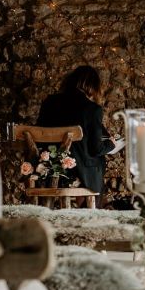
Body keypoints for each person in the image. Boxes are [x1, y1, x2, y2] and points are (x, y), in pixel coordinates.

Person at [37, 65, 117, 194]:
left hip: (49, 169)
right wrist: (111, 143)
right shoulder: (92, 109)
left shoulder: (49, 102)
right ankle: (90, 207)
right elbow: (96, 149)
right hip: (79, 172)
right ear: (92, 86)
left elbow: (39, 136)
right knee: (97, 161)